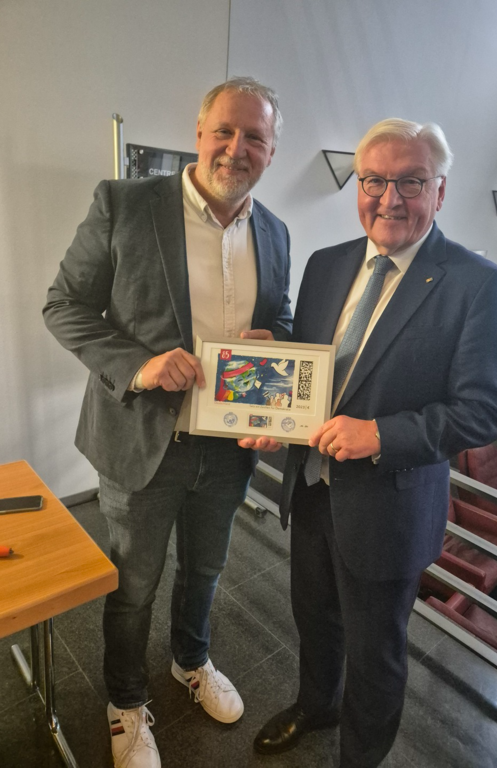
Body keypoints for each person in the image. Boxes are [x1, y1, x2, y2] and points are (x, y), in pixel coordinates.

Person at [247, 118, 497, 767]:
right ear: (359, 186)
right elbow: (318, 366)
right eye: (373, 181)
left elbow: (485, 410)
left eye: (411, 182)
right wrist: (273, 375)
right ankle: (317, 705)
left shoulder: (476, 283)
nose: (389, 199)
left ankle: (359, 758)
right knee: (314, 619)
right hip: (311, 490)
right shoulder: (327, 263)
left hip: (389, 510)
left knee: (376, 654)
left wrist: (380, 435)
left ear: (440, 191)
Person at [43, 77, 291, 768]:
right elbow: (63, 305)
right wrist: (141, 365)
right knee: (132, 586)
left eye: (255, 137)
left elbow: (281, 318)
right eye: (225, 131)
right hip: (142, 441)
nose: (237, 148)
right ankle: (125, 702)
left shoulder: (274, 231)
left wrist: (276, 344)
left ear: (272, 151)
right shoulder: (123, 204)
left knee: (206, 570)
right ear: (200, 132)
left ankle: (191, 660)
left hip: (228, 448)